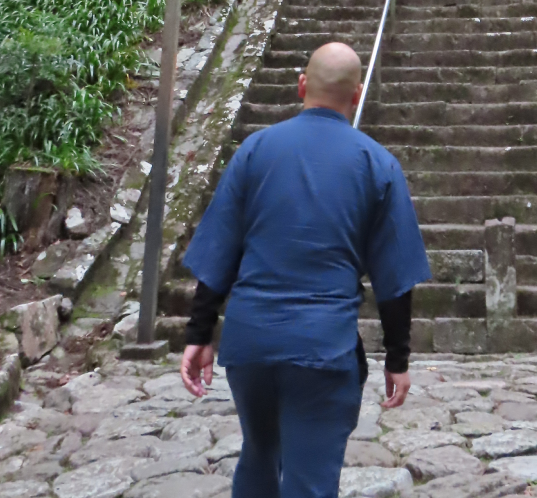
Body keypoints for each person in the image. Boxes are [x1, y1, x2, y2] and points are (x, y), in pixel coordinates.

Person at [179, 42, 430, 498]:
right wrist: (397, 359)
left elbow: (220, 250)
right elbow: (395, 278)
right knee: (309, 480)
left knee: (258, 456)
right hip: (322, 347)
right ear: (356, 97)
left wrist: (199, 333)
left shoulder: (254, 151)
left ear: (300, 87)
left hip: (249, 342)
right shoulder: (377, 164)